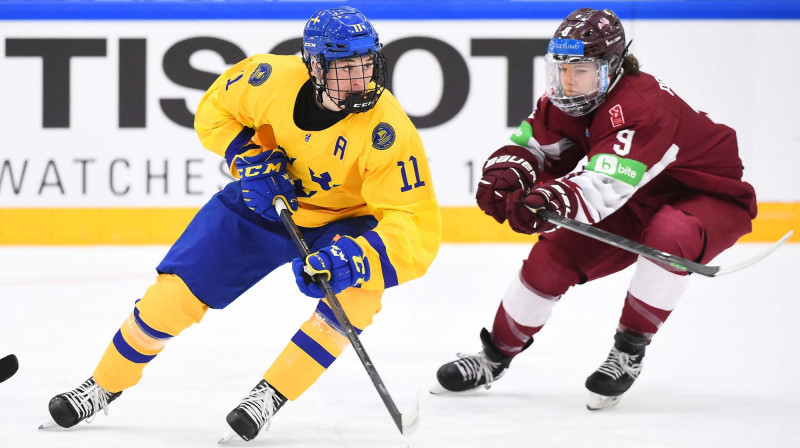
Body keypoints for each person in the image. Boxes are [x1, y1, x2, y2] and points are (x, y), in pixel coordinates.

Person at [44, 6, 440, 441]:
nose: (360, 76)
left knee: (353, 299)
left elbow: (414, 221)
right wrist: (247, 157)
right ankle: (103, 384)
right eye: (345, 65)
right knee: (171, 296)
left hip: (345, 219)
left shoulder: (388, 129)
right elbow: (214, 110)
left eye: (366, 62)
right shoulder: (267, 78)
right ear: (314, 65)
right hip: (261, 203)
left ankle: (269, 396)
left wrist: (355, 259)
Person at [431, 8, 756, 410]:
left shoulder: (642, 107)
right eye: (561, 70)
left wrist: (550, 197)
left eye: (580, 70)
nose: (568, 82)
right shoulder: (563, 101)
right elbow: (537, 149)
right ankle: (493, 357)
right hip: (636, 198)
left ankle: (629, 350)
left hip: (704, 198)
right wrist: (509, 172)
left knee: (671, 233)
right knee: (551, 259)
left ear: (611, 66)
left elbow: (603, 186)